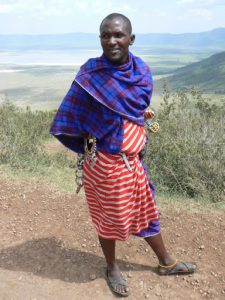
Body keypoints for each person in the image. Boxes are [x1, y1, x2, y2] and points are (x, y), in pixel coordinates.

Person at [50, 13, 196, 298]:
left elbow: (136, 110)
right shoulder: (90, 75)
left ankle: (166, 262)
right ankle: (112, 266)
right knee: (110, 217)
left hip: (134, 163)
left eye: (118, 35)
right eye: (105, 35)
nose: (112, 40)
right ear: (100, 39)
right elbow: (71, 116)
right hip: (105, 163)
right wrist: (95, 139)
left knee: (147, 210)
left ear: (131, 38)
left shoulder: (141, 71)